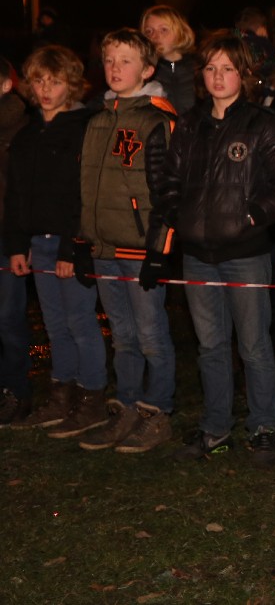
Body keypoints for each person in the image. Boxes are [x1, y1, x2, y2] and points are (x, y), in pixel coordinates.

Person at [160, 33, 275, 468]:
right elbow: (169, 179)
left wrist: (252, 217)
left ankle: (263, 428)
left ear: (244, 74)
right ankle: (216, 427)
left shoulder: (263, 124)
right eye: (210, 68)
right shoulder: (189, 124)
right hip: (197, 256)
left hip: (246, 254)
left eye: (227, 69)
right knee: (210, 347)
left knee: (254, 346)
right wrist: (179, 218)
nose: (218, 77)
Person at [76, 29, 180, 454]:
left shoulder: (156, 120)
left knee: (151, 333)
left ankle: (158, 411)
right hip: (104, 248)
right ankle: (128, 408)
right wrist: (83, 241)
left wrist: (159, 251)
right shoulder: (97, 120)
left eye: (125, 61)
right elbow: (86, 188)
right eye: (109, 60)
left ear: (148, 70)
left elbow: (168, 192)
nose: (115, 68)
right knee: (121, 335)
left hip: (140, 250)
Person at [6, 46, 106, 437]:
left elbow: (83, 194)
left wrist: (72, 246)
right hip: (37, 242)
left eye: (55, 81)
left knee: (81, 321)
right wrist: (18, 245)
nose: (46, 89)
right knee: (55, 325)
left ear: (72, 85)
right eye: (39, 81)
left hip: (69, 243)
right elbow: (16, 195)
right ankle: (62, 393)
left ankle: (91, 398)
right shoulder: (27, 135)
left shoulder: (83, 128)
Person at [0, 57, 30, 426]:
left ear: (6, 85)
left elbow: (20, 189)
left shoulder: (20, 128)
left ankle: (16, 391)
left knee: (8, 317)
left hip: (6, 234)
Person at [141, 5, 198, 114]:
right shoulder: (144, 72)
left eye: (163, 30)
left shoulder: (200, 67)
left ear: (180, 32)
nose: (155, 36)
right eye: (149, 32)